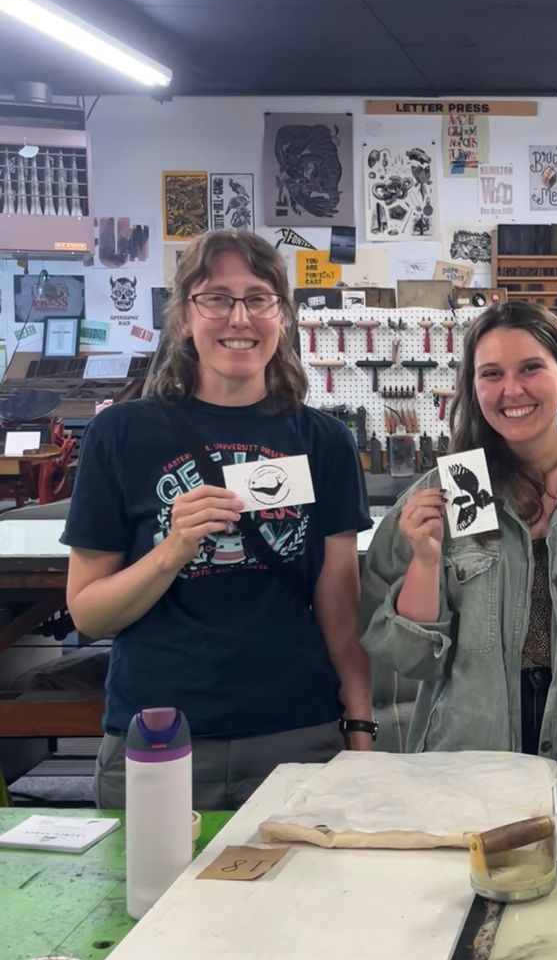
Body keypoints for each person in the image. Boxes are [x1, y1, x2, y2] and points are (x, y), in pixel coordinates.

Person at [64, 230, 374, 809]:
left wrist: (360, 735)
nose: (240, 317)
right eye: (217, 298)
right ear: (184, 316)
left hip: (297, 737)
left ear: (281, 316)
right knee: (148, 900)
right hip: (161, 739)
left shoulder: (324, 441)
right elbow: (89, 612)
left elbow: (340, 619)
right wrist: (173, 548)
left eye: (258, 298)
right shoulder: (122, 434)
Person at [360, 300, 557, 762]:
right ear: (473, 387)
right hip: (465, 760)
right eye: (491, 374)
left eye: (530, 368)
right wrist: (426, 561)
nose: (511, 390)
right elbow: (410, 659)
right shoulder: (440, 496)